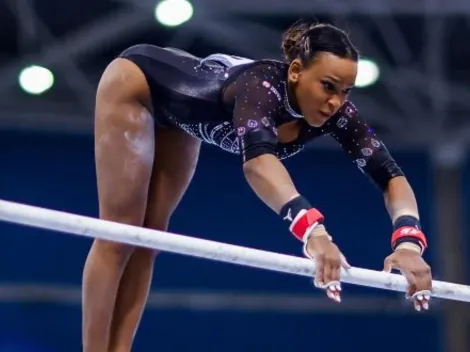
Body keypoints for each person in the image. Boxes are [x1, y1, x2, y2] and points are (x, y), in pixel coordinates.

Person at [82, 19, 433, 351]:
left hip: (183, 117)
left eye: (345, 91)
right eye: (328, 86)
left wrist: (408, 243)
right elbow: (258, 163)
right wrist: (314, 232)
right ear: (296, 71)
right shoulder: (261, 86)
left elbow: (390, 175)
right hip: (138, 83)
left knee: (151, 239)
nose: (336, 102)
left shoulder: (339, 114)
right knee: (121, 231)